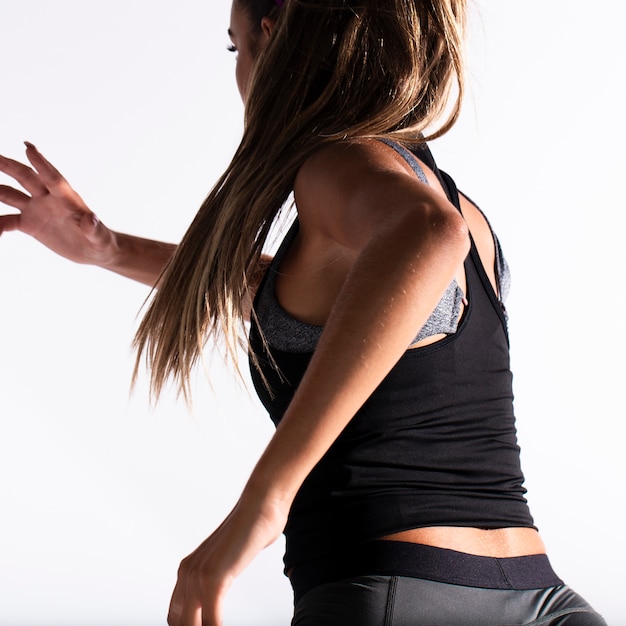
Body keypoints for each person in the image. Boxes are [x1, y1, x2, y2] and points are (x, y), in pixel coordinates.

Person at [0, 1, 608, 624]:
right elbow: (293, 296)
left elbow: (427, 235)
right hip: (543, 598)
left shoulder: (339, 165)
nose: (238, 74)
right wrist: (108, 248)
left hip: (396, 586)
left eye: (235, 47)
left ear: (273, 36)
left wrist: (261, 507)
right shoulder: (447, 197)